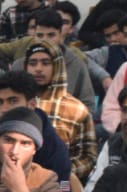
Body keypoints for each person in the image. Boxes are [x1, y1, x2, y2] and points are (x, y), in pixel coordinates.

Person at [19, 41, 98, 182]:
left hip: (60, 182)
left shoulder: (76, 110)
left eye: (45, 63)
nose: (38, 69)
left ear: (57, 66)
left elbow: (88, 157)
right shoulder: (7, 102)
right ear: (25, 66)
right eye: (33, 63)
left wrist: (62, 171)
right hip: (8, 179)